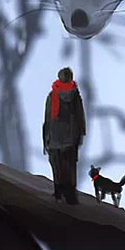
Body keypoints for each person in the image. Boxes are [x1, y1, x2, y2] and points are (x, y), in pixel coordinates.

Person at [43, 66, 86, 204]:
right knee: (70, 166)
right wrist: (81, 134)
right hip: (71, 137)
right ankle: (71, 196)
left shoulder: (52, 95)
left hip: (54, 137)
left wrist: (45, 139)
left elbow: (48, 118)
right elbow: (80, 116)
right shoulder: (75, 96)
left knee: (56, 165)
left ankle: (58, 192)